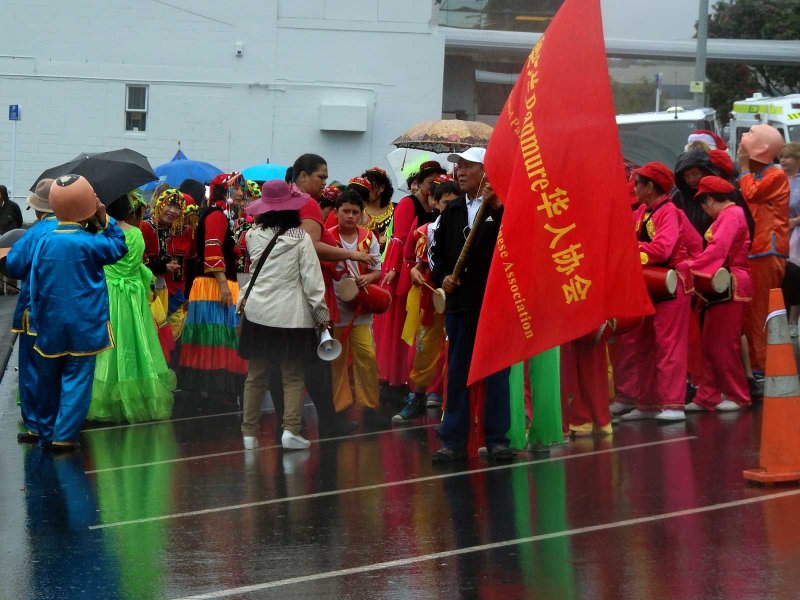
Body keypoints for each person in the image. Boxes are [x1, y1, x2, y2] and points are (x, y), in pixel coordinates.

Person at [27, 175, 128, 450]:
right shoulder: (90, 243)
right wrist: (104, 218)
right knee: (77, 379)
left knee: (47, 380)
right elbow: (119, 246)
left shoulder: (44, 241)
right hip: (85, 325)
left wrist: (37, 318)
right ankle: (64, 435)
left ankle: (46, 431)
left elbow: (35, 283)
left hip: (50, 324)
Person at [282, 154, 375, 437]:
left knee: (281, 364)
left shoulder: (281, 203)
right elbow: (308, 246)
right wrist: (350, 253)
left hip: (280, 289)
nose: (324, 183)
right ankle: (328, 422)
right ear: (302, 176)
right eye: (321, 177)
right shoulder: (306, 203)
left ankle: (284, 426)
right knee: (318, 358)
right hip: (308, 289)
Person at [430, 148, 513, 463]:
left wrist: (500, 209)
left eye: (467, 166)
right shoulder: (450, 212)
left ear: (485, 172)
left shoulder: (500, 207)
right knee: (458, 373)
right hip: (461, 305)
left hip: (493, 304)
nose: (460, 172)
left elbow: (515, 244)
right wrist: (443, 278)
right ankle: (452, 440)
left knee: (496, 375)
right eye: (458, 167)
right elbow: (436, 253)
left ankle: (497, 440)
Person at [238, 180, 330, 451]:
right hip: (292, 316)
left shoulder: (252, 235)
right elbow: (311, 281)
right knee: (292, 375)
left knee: (256, 375)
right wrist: (321, 312)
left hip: (257, 313)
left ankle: (249, 433)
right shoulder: (300, 238)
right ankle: (290, 430)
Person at [619, 162, 700, 423]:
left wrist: (631, 250)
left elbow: (663, 249)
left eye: (637, 182)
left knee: (669, 345)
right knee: (641, 345)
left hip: (670, 283)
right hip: (648, 284)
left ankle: (673, 403)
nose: (634, 187)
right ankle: (647, 402)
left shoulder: (669, 212)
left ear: (650, 187)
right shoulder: (642, 211)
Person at [88, 194, 176, 423]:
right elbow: (139, 266)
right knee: (137, 343)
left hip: (110, 295)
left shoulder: (102, 235)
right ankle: (142, 396)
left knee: (111, 344)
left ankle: (108, 401)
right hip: (134, 295)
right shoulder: (137, 233)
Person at [678, 176, 752, 412]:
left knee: (723, 344)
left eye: (703, 204)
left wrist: (689, 266)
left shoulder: (731, 215)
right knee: (710, 343)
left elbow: (718, 249)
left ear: (709, 199)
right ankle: (707, 394)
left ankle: (738, 394)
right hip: (720, 283)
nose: (704, 210)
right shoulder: (731, 215)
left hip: (730, 283)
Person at [392, 175, 459, 423]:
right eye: (445, 202)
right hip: (432, 300)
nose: (449, 207)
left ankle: (452, 405)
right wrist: (414, 273)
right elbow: (417, 265)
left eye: (455, 202)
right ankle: (417, 396)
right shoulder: (426, 232)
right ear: (434, 203)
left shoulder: (468, 229)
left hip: (460, 300)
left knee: (457, 351)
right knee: (424, 350)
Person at [177, 173, 248, 403]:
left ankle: (211, 389)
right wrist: (222, 285)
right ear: (223, 191)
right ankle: (219, 390)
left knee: (212, 338)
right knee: (219, 337)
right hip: (214, 285)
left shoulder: (215, 214)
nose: (240, 193)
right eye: (235, 189)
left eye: (241, 189)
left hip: (209, 284)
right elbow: (212, 247)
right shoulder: (217, 215)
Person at [376, 159, 445, 389]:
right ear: (418, 183)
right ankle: (401, 374)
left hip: (425, 267)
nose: (432, 187)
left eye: (437, 182)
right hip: (405, 268)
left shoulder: (438, 207)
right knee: (404, 321)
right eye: (429, 183)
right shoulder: (408, 203)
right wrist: (398, 270)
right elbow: (400, 239)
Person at [738, 124, 790, 398]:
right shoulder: (757, 175)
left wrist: (744, 168)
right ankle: (758, 366)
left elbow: (751, 194)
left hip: (766, 252)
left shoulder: (775, 176)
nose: (741, 146)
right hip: (755, 251)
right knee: (751, 314)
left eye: (746, 142)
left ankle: (761, 369)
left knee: (759, 313)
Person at [5, 179, 58, 444]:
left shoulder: (34, 234)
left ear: (38, 209)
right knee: (63, 369)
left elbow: (13, 265)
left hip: (35, 312)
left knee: (33, 369)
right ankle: (62, 424)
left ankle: (37, 425)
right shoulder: (76, 230)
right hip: (67, 315)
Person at [328, 190, 382, 421]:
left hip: (361, 308)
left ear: (361, 214)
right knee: (337, 360)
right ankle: (339, 409)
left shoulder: (369, 237)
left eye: (355, 212)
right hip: (336, 309)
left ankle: (369, 406)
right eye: (346, 211)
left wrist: (367, 279)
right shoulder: (326, 237)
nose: (350, 216)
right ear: (336, 212)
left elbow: (378, 271)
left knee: (367, 356)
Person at [140, 188, 195, 345]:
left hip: (176, 293)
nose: (172, 211)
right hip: (150, 294)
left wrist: (187, 295)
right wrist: (163, 268)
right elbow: (139, 262)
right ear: (159, 203)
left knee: (172, 339)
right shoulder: (145, 228)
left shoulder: (184, 232)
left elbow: (191, 264)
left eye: (177, 207)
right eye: (169, 205)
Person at [779, 143, 800, 336]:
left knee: (795, 271)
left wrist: (794, 221)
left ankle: (793, 319)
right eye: (782, 157)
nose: (783, 161)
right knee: (786, 273)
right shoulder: (778, 179)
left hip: (797, 232)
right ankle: (784, 316)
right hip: (780, 231)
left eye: (788, 157)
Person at [362, 166, 395, 249]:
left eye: (370, 186)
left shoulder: (397, 209)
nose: (366, 190)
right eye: (364, 186)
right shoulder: (357, 211)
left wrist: (388, 241)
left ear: (382, 188)